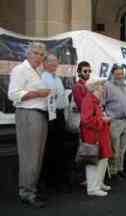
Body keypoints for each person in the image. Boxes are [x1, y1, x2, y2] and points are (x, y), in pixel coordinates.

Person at [8, 42, 49, 208]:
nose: (38, 57)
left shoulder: (39, 71)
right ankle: (26, 192)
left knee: (37, 156)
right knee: (29, 156)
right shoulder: (20, 70)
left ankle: (31, 189)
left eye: (41, 54)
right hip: (28, 114)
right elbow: (13, 94)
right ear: (28, 53)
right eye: (35, 53)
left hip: (40, 114)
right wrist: (37, 93)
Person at [41, 54, 70, 192]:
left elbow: (62, 99)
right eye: (51, 61)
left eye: (56, 62)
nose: (54, 64)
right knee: (50, 149)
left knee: (60, 149)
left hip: (59, 116)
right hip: (48, 116)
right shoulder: (42, 78)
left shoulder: (57, 78)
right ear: (44, 63)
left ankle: (58, 181)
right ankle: (49, 182)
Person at [80, 80, 113, 196]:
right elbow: (86, 120)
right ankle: (92, 188)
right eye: (101, 86)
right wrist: (102, 120)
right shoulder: (88, 100)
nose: (103, 89)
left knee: (103, 160)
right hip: (93, 136)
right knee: (93, 162)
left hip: (100, 135)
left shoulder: (95, 101)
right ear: (95, 88)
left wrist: (103, 119)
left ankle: (99, 183)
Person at [103, 65, 126, 180]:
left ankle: (120, 169)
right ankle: (113, 172)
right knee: (114, 149)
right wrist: (106, 117)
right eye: (118, 74)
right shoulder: (107, 86)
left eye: (121, 74)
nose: (120, 76)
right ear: (112, 74)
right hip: (114, 122)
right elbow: (101, 104)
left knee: (123, 149)